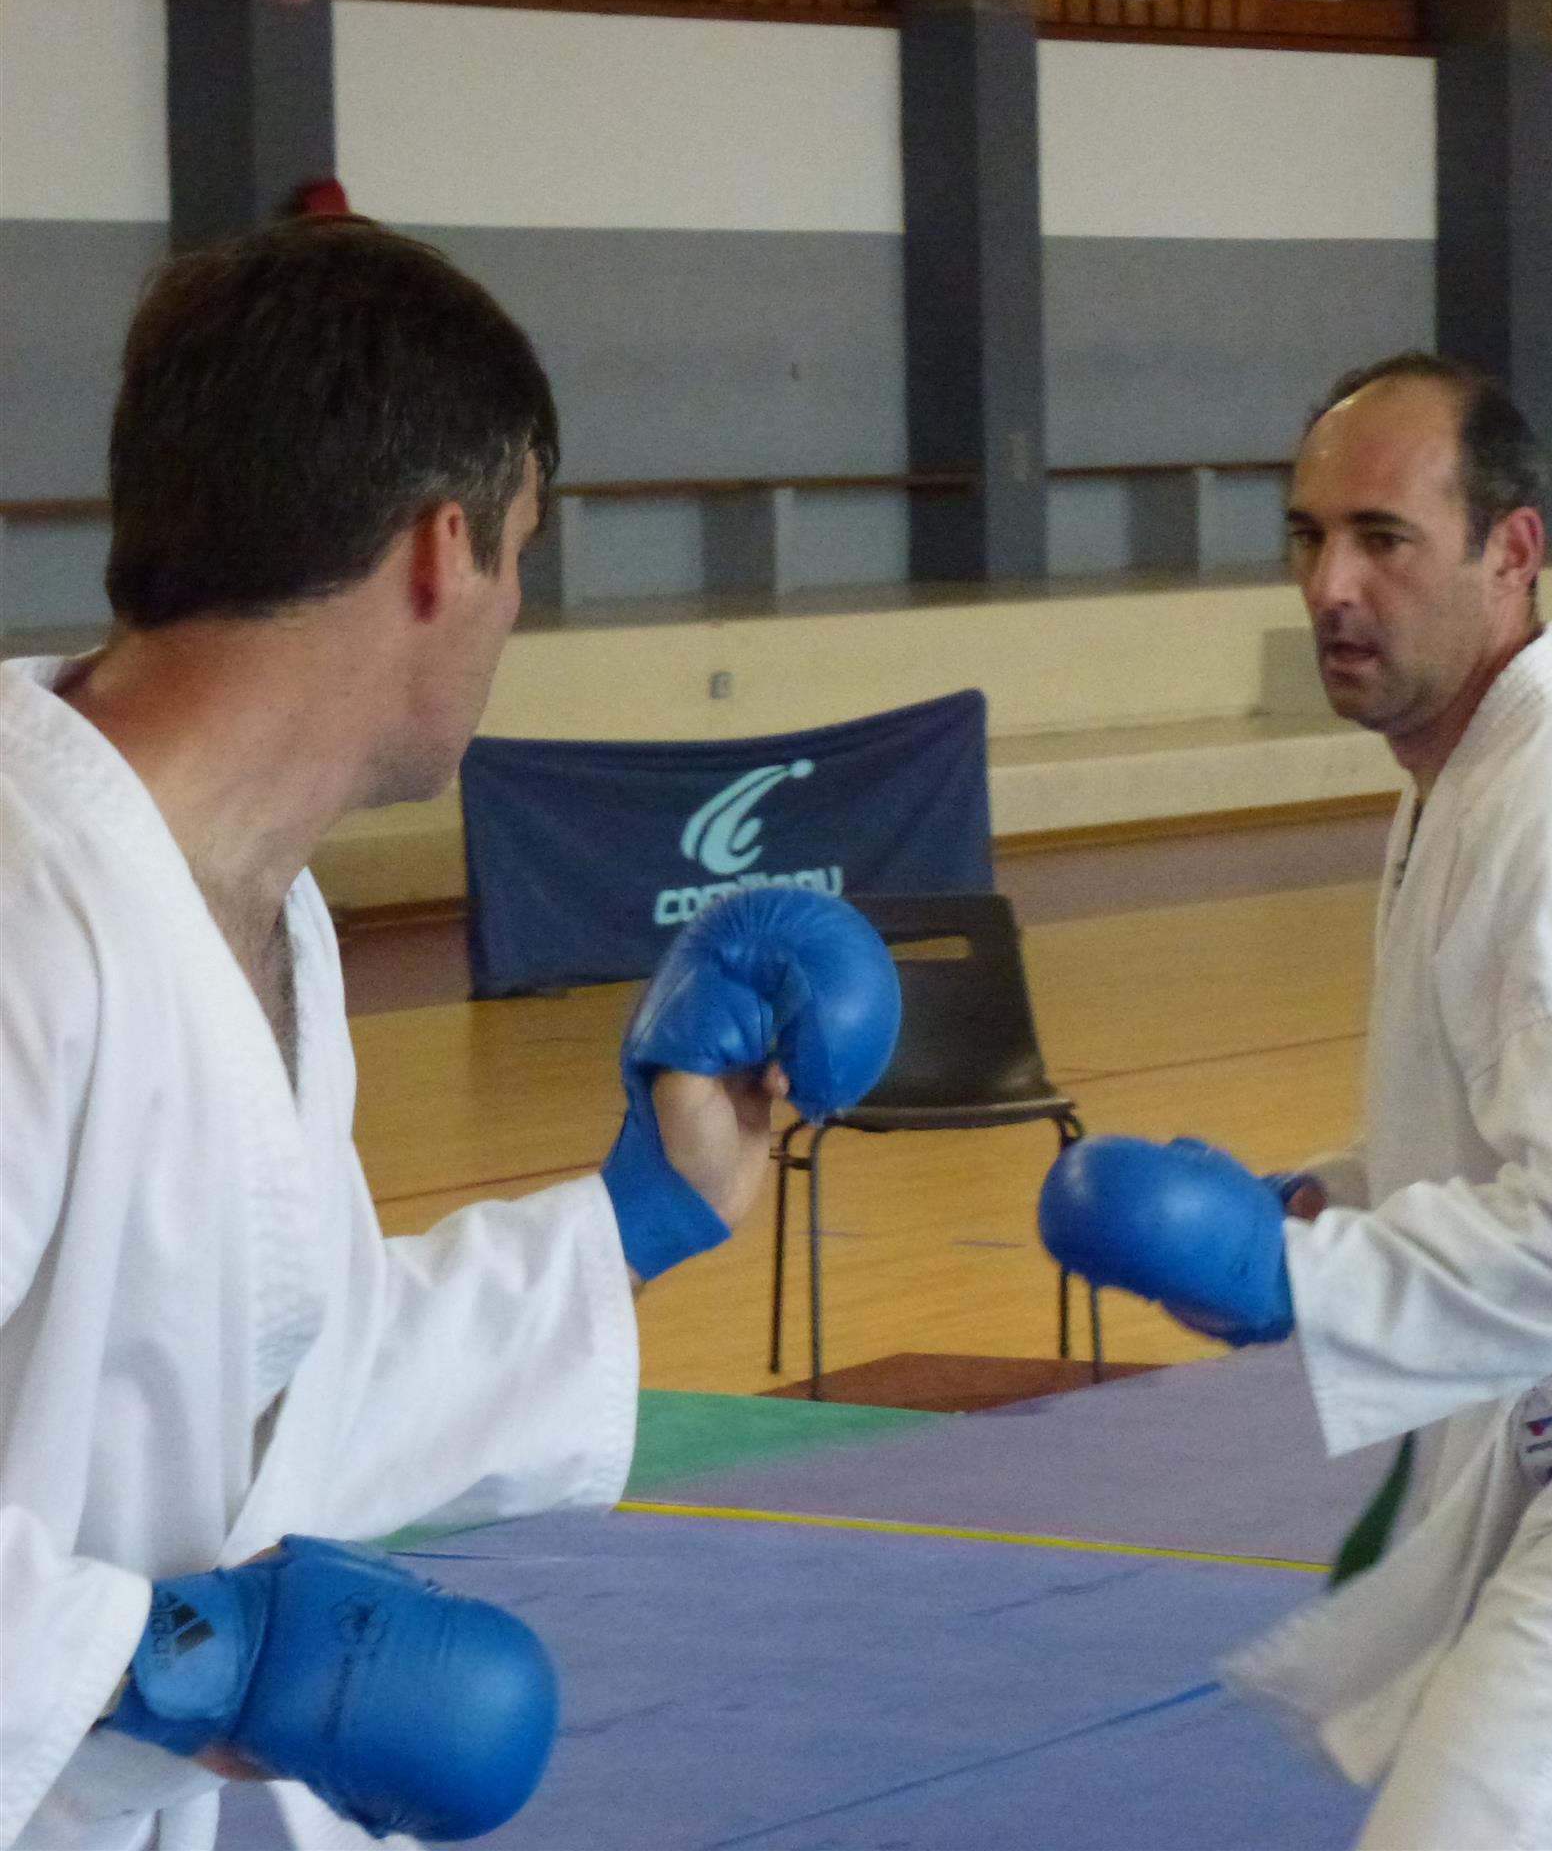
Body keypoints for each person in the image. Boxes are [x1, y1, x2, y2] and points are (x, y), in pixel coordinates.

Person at [0, 220, 899, 1850]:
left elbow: (289, 1390)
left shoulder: (263, 906)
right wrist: (173, 1664)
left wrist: (638, 1217)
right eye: (520, 550)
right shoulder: (23, 904)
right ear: (441, 551)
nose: (511, 612)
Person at [1041, 353, 1552, 1847]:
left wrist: (1292, 1277)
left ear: (1513, 551)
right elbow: (1521, 1146)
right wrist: (1313, 1207)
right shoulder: (1471, 782)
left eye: (1384, 538)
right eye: (1309, 538)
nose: (1331, 588)